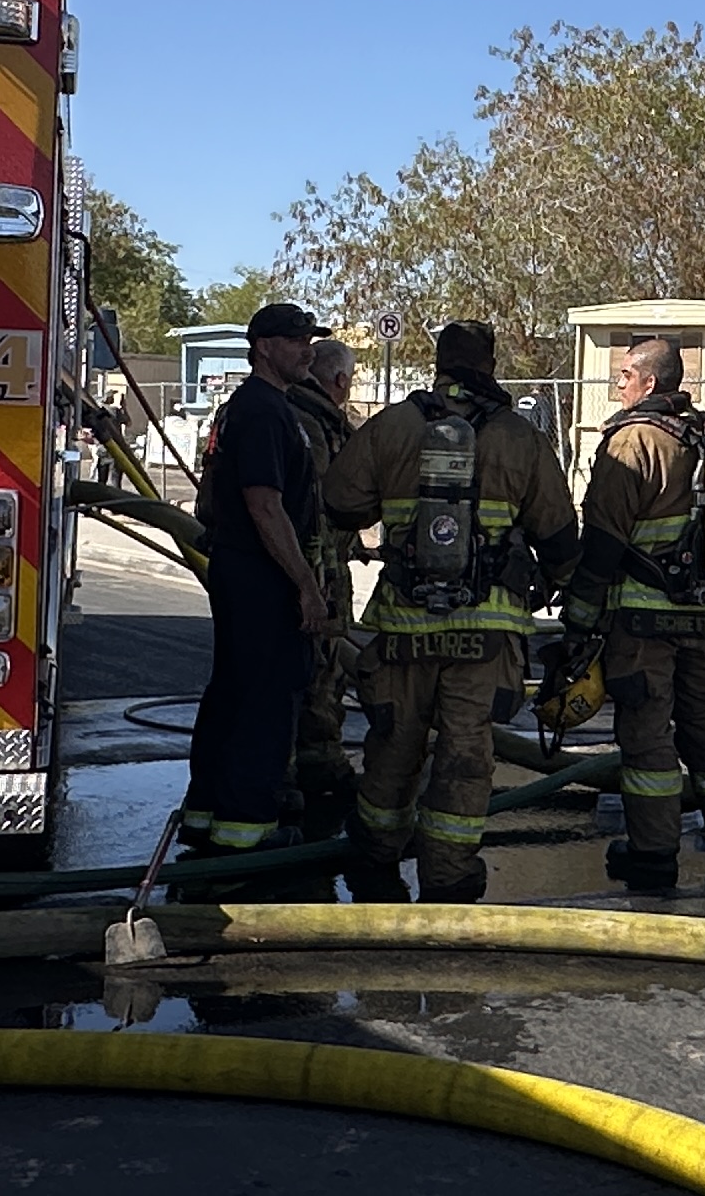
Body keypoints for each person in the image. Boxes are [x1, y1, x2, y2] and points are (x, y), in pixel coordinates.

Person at [320, 319, 576, 901]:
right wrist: (569, 603)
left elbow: (339, 504)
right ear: (490, 365)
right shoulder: (520, 437)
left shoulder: (393, 426)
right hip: (486, 637)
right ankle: (450, 878)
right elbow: (561, 540)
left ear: (438, 363)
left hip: (405, 628)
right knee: (465, 760)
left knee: (392, 749)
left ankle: (374, 867)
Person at [565, 336, 705, 896]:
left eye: (625, 374)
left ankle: (653, 857)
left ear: (650, 383)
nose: (618, 384)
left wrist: (579, 618)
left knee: (649, 742)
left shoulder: (633, 442)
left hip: (646, 628)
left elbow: (603, 541)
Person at [182, 300, 333, 881]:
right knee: (267, 698)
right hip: (261, 573)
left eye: (310, 340)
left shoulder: (247, 407)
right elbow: (265, 505)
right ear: (264, 347)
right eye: (296, 340)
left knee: (233, 689)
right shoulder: (267, 412)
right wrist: (306, 586)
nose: (307, 349)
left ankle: (206, 813)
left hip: (239, 569)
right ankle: (247, 828)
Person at [285, 334, 367, 838]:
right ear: (339, 381)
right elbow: (321, 504)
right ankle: (308, 766)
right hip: (314, 570)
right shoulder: (315, 425)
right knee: (320, 665)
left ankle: (307, 762)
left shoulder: (294, 413)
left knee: (313, 666)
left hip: (303, 566)